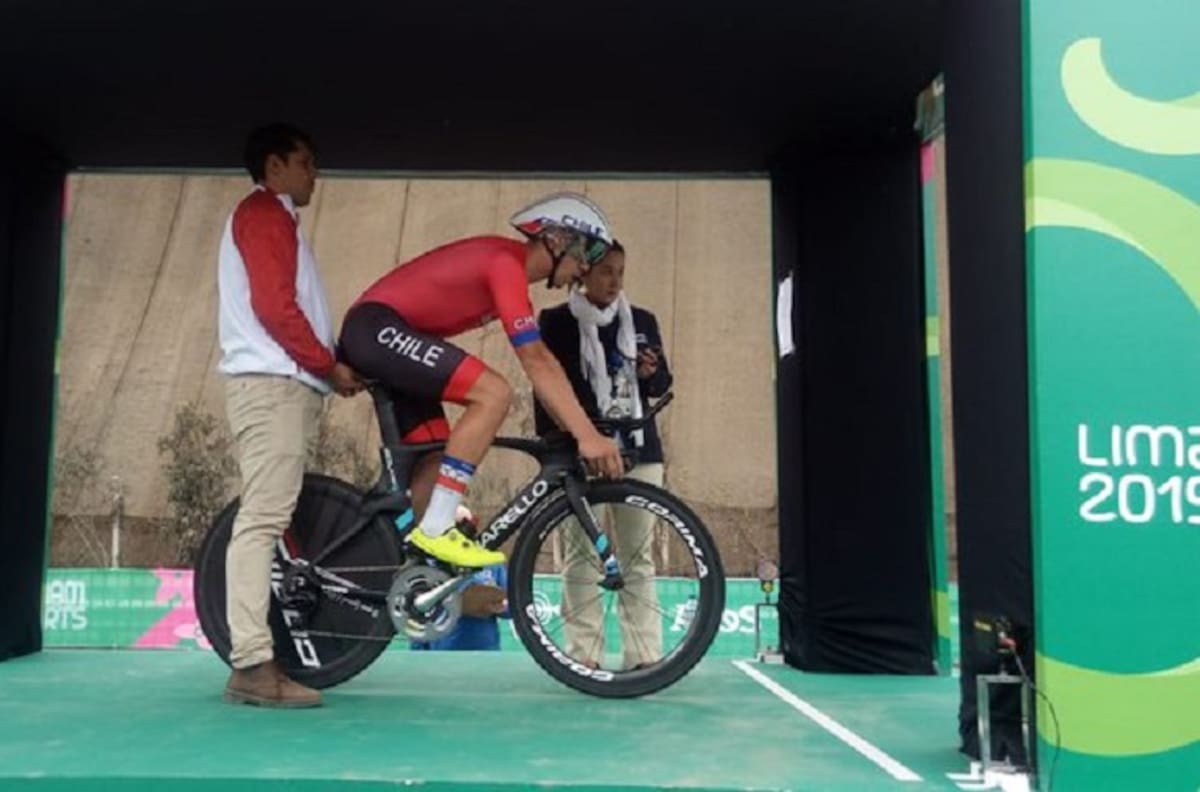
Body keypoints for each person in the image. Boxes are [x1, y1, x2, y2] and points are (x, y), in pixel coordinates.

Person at [337, 192, 625, 569]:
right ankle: (436, 528)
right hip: (376, 328)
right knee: (494, 393)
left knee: (435, 459)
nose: (585, 269)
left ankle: (425, 575)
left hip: (383, 332)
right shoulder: (505, 264)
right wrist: (587, 435)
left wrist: (580, 429)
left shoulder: (510, 270)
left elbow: (542, 368)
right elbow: (536, 360)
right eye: (585, 253)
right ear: (556, 239)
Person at [217, 123, 363, 708]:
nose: (314, 173)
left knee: (266, 517)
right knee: (262, 521)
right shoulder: (263, 213)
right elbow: (275, 308)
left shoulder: (276, 219)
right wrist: (328, 365)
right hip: (272, 385)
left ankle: (255, 661)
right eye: (305, 162)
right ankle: (252, 666)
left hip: (283, 384)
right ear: (274, 167)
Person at [534, 241, 672, 670]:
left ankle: (644, 657)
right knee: (580, 554)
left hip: (638, 449)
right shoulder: (556, 321)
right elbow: (547, 389)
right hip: (581, 451)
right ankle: (584, 656)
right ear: (584, 273)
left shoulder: (642, 320)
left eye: (620, 272)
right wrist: (563, 444)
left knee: (637, 555)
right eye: (606, 271)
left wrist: (650, 373)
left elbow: (660, 386)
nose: (614, 281)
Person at [410, 511, 509, 651]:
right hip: (445, 653)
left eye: (468, 527)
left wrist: (499, 605)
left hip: (487, 653)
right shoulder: (429, 566)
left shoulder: (490, 563)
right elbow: (418, 617)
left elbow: (512, 607)